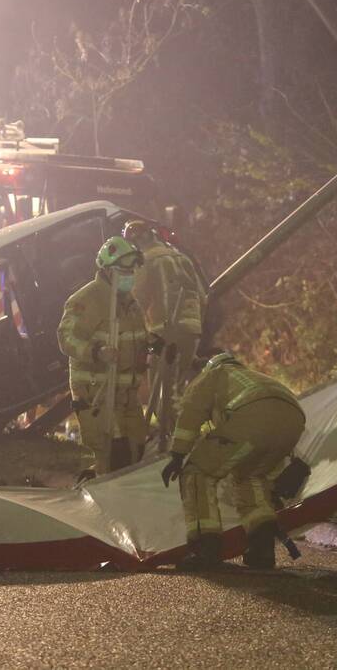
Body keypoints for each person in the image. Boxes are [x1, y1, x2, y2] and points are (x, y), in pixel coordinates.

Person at [161, 351, 306, 570]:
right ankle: (262, 549)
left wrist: (177, 455)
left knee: (196, 473)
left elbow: (191, 412)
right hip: (293, 421)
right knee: (250, 478)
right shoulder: (252, 377)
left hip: (252, 421)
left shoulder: (213, 374)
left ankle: (205, 548)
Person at [57, 236, 150, 478]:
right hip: (98, 395)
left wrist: (150, 346)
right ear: (107, 271)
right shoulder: (86, 300)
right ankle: (95, 505)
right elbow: (66, 338)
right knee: (112, 457)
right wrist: (97, 352)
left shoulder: (130, 303)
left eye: (131, 271)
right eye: (123, 271)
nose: (129, 276)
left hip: (127, 396)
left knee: (137, 452)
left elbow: (136, 338)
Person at [122, 220, 207, 436]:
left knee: (163, 393)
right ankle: (180, 438)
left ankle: (175, 442)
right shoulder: (182, 257)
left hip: (163, 332)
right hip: (191, 330)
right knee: (176, 389)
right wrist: (194, 328)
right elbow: (203, 298)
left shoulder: (145, 260)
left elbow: (137, 300)